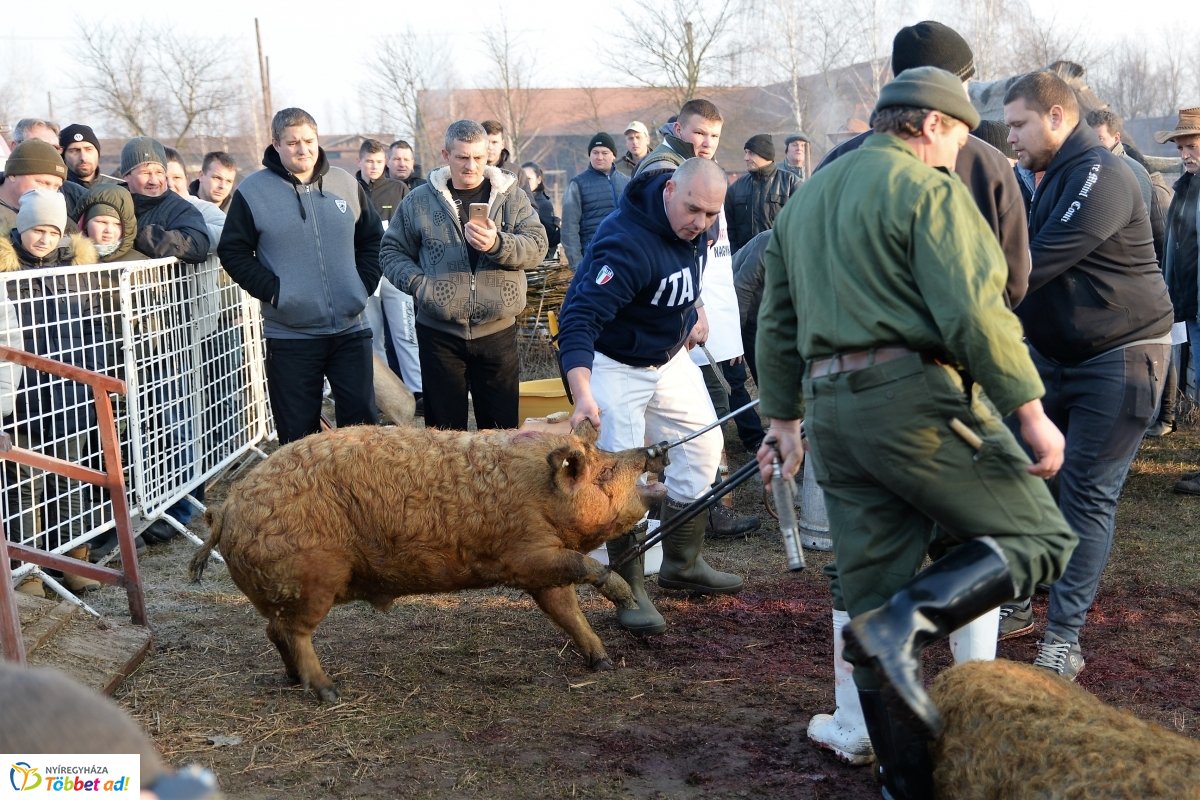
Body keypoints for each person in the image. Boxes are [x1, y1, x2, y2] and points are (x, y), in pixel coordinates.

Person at [755, 67, 1077, 798]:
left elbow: (775, 320)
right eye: (957, 139)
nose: (955, 154)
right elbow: (975, 310)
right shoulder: (926, 189)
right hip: (918, 403)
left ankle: (906, 786)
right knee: (1040, 540)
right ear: (930, 124)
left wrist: (782, 420)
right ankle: (903, 630)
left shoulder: (804, 204)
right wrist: (1028, 410)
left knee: (869, 604)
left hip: (833, 414)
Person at [805, 20, 1033, 766]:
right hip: (961, 387)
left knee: (865, 555)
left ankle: (858, 722)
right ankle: (974, 707)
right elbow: (1013, 282)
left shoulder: (842, 162)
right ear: (955, 84)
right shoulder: (991, 161)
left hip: (861, 391)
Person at [1002, 70, 1174, 680]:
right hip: (1057, 356)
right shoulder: (1051, 176)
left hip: (1121, 355)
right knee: (1033, 480)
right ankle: (1019, 598)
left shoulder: (1102, 173)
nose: (1011, 136)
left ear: (1056, 115)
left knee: (1086, 494)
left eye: (1018, 123)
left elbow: (1034, 264)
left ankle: (1063, 637)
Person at [557, 157, 744, 636]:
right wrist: (582, 394)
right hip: (612, 361)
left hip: (669, 359)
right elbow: (578, 321)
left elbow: (686, 274)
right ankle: (628, 587)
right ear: (669, 191)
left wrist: (693, 311)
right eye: (693, 210)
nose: (701, 223)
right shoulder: (624, 244)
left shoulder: (700, 223)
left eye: (710, 214)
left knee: (703, 446)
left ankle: (682, 562)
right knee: (620, 473)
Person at [634, 98, 762, 536]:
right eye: (699, 133)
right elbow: (663, 253)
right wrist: (694, 307)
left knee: (708, 409)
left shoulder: (692, 168)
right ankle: (700, 510)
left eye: (714, 136)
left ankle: (693, 508)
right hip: (670, 318)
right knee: (706, 412)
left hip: (691, 310)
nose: (706, 142)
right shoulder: (663, 172)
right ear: (679, 128)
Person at [218, 107, 383, 444]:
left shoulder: (345, 184)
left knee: (363, 434)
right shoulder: (252, 192)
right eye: (292, 142)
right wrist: (276, 292)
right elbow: (233, 251)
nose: (303, 149)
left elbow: (372, 241)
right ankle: (308, 498)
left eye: (309, 140)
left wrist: (361, 285)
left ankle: (361, 496)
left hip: (350, 331)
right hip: (291, 336)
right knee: (298, 439)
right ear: (276, 144)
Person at [378, 119, 546, 431]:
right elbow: (390, 252)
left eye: (479, 158)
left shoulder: (512, 197)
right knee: (444, 442)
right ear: (445, 154)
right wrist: (420, 285)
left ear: (489, 156)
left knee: (500, 440)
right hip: (439, 335)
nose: (471, 166)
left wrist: (499, 244)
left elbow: (538, 247)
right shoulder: (418, 200)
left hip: (497, 333)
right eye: (462, 157)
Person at [2, 188, 105, 595]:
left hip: (69, 395)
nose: (43, 238)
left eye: (51, 230)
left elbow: (96, 326)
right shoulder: (5, 272)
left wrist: (96, 374)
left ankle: (72, 560)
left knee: (71, 479)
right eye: (35, 230)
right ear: (21, 228)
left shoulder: (76, 271)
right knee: (22, 486)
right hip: (23, 396)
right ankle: (26, 569)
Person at [1156, 108, 1200, 491]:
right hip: (1191, 306)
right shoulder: (1187, 187)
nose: (1185, 154)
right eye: (1181, 147)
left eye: (1191, 145)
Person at [120, 137, 209, 263]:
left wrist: (144, 236)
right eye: (145, 173)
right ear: (126, 176)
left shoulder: (179, 208)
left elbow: (197, 245)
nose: (154, 180)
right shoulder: (112, 203)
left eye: (159, 172)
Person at [561, 132, 629, 268]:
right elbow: (569, 229)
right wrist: (578, 265)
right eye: (595, 152)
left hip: (625, 255)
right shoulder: (578, 184)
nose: (599, 157)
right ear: (589, 155)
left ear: (614, 155)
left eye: (605, 153)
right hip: (593, 258)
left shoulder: (627, 182)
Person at [724, 133, 800, 254]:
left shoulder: (792, 184)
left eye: (751, 153)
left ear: (765, 154)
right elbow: (729, 231)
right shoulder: (736, 188)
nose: (746, 158)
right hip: (744, 265)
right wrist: (736, 258)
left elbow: (801, 227)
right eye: (745, 152)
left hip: (780, 262)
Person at [0, 140, 69, 236]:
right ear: (13, 175)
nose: (50, 192)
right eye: (42, 183)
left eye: (56, 187)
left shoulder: (59, 219)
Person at [164, 147, 224, 251]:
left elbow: (229, 234)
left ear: (186, 179)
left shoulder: (202, 208)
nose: (170, 184)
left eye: (177, 178)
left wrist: (181, 231)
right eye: (164, 178)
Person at [521, 161, 560, 260]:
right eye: (522, 179)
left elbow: (551, 240)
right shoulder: (519, 200)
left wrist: (562, 229)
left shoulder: (543, 204)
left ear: (539, 179)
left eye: (529, 179)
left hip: (537, 259)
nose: (524, 183)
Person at [59, 124, 117, 188]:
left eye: (89, 149)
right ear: (63, 156)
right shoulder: (56, 188)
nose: (83, 157)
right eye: (75, 151)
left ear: (98, 153)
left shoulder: (119, 187)